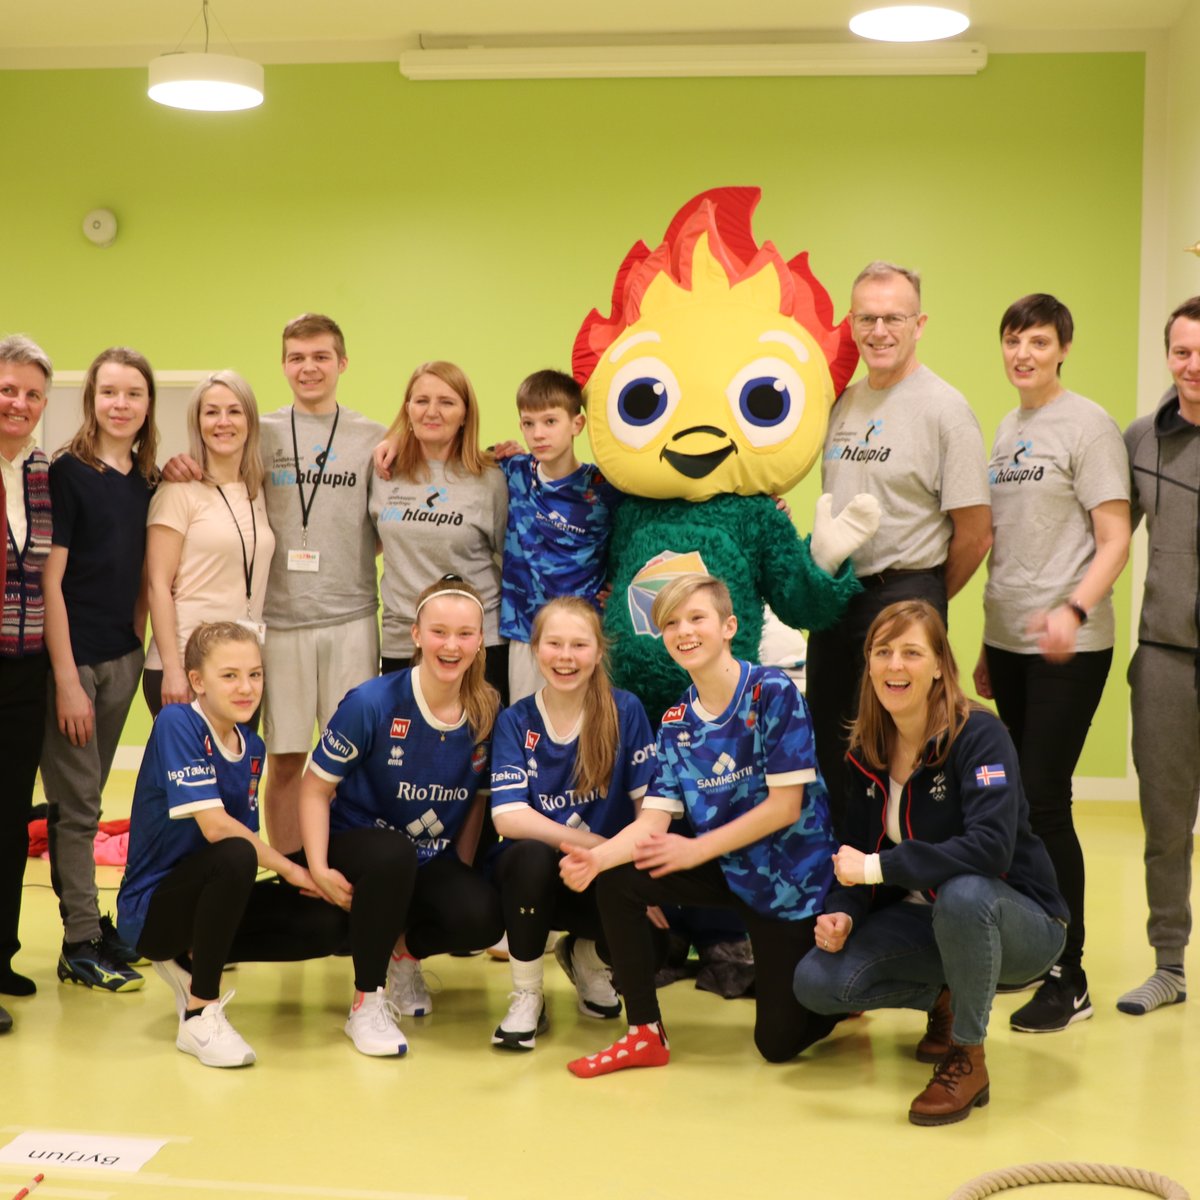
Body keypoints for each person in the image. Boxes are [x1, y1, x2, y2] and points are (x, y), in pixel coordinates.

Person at [793, 600, 1068, 1126]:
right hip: (930, 919)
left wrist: (878, 869)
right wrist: (844, 910)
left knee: (963, 892)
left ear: (940, 664)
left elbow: (991, 849)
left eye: (912, 653)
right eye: (883, 652)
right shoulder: (866, 750)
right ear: (869, 663)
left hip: (1021, 921)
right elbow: (855, 849)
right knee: (817, 982)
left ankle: (968, 1055)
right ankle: (945, 995)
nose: (895, 665)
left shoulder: (979, 735)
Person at [560, 573, 840, 1078]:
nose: (683, 631)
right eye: (671, 623)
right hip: (727, 870)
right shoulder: (675, 723)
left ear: (729, 626)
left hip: (791, 883)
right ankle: (644, 1033)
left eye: (696, 618)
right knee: (619, 879)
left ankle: (837, 991)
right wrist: (595, 859)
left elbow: (785, 808)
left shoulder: (773, 692)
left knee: (777, 1044)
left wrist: (695, 850)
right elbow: (653, 821)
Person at [161, 314, 384, 855]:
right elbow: (215, 464)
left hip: (353, 618)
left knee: (352, 760)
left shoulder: (375, 438)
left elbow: (389, 520)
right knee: (284, 759)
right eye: (297, 358)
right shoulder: (259, 432)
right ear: (283, 365)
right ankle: (292, 872)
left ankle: (342, 866)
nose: (309, 368)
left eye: (321, 356)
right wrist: (175, 464)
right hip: (278, 625)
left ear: (342, 362)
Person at [971, 295, 1130, 1031]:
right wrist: (986, 642)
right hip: (1009, 640)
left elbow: (1115, 538)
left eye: (1037, 341)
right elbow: (1007, 545)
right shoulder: (1007, 430)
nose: (1023, 353)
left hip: (1070, 645)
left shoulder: (1089, 425)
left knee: (1043, 799)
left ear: (1063, 347)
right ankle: (1037, 947)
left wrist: (1072, 611)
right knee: (1016, 804)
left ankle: (1071, 975)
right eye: (1013, 340)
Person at [806, 261, 991, 833]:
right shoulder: (842, 404)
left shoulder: (945, 410)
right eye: (867, 318)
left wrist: (924, 597)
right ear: (851, 324)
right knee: (831, 741)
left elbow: (976, 531)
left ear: (919, 324)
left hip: (905, 592)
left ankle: (900, 872)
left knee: (899, 746)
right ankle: (841, 872)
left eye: (894, 318)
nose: (879, 330)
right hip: (837, 598)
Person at [116, 622, 346, 1068]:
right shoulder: (177, 722)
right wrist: (294, 870)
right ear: (197, 681)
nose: (246, 688)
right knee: (237, 852)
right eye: (230, 676)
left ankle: (192, 959)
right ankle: (199, 1013)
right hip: (150, 912)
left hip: (209, 896)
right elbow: (218, 830)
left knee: (325, 925)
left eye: (255, 674)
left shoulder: (252, 746)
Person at [298, 576, 505, 1057]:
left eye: (465, 634)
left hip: (426, 856)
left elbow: (476, 801)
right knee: (393, 853)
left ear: (480, 640)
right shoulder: (371, 702)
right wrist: (318, 867)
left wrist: (460, 870)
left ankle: (404, 954)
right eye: (438, 632)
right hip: (361, 846)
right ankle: (365, 1003)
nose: (451, 646)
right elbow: (313, 789)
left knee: (483, 918)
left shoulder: (488, 710)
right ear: (415, 635)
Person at [43, 348, 162, 995]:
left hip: (122, 658)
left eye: (133, 393)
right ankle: (79, 943)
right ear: (91, 399)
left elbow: (143, 572)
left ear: (147, 405)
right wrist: (67, 678)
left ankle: (94, 925)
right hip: (76, 664)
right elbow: (51, 581)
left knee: (89, 804)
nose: (121, 404)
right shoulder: (68, 472)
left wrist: (136, 644)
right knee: (79, 806)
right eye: (109, 392)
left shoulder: (145, 480)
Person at [488, 596, 656, 1050]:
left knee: (662, 940)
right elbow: (508, 815)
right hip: (536, 882)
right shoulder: (515, 720)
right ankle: (527, 994)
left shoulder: (626, 711)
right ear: (535, 649)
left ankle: (586, 957)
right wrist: (593, 843)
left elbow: (649, 812)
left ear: (599, 652)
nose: (566, 656)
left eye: (579, 645)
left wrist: (633, 871)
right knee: (530, 856)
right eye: (554, 643)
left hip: (602, 876)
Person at [1119, 295, 1200, 1015]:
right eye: (1182, 351)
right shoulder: (1142, 439)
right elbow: (1105, 535)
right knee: (1166, 823)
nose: (1193, 365)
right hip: (1166, 659)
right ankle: (1168, 965)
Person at [370, 363, 510, 702]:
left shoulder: (491, 479)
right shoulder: (383, 470)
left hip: (476, 643)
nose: (432, 411)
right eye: (422, 401)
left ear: (465, 415)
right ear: (408, 409)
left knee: (479, 735)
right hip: (403, 640)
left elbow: (513, 560)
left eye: (446, 402)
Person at [145, 372, 274, 727]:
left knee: (238, 764)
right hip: (189, 667)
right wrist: (174, 669)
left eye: (234, 411)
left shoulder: (257, 489)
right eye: (211, 412)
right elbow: (157, 585)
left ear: (250, 420)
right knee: (191, 766)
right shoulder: (178, 490)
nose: (223, 422)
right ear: (197, 422)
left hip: (240, 668)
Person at [489, 370, 623, 703]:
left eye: (550, 421)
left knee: (588, 727)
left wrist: (622, 589)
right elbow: (453, 456)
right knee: (528, 724)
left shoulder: (606, 488)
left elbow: (641, 531)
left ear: (577, 424)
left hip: (584, 635)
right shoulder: (511, 470)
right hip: (526, 631)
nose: (538, 434)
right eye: (528, 423)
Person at [0, 334, 54, 1031]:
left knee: (11, 818)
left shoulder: (41, 470)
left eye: (31, 393)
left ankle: (1, 953)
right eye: (7, 390)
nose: (18, 403)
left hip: (24, 664)